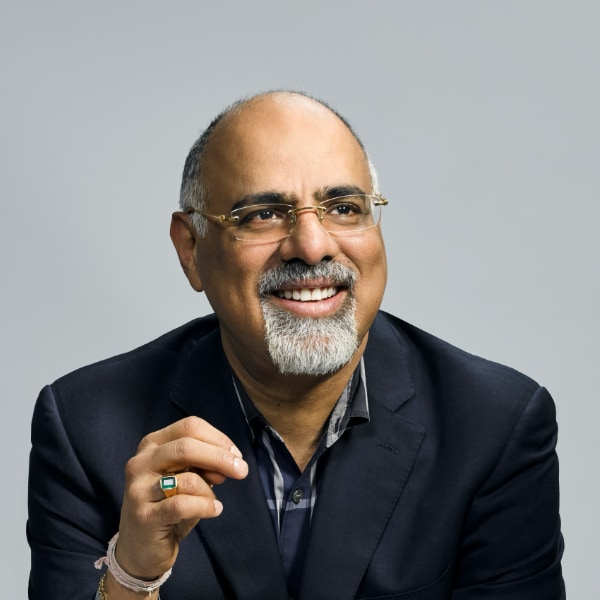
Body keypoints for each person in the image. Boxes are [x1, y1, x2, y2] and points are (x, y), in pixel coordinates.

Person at [27, 91, 565, 599]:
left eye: (344, 207)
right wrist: (131, 576)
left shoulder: (495, 426)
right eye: (261, 215)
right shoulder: (86, 427)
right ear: (191, 249)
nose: (311, 246)